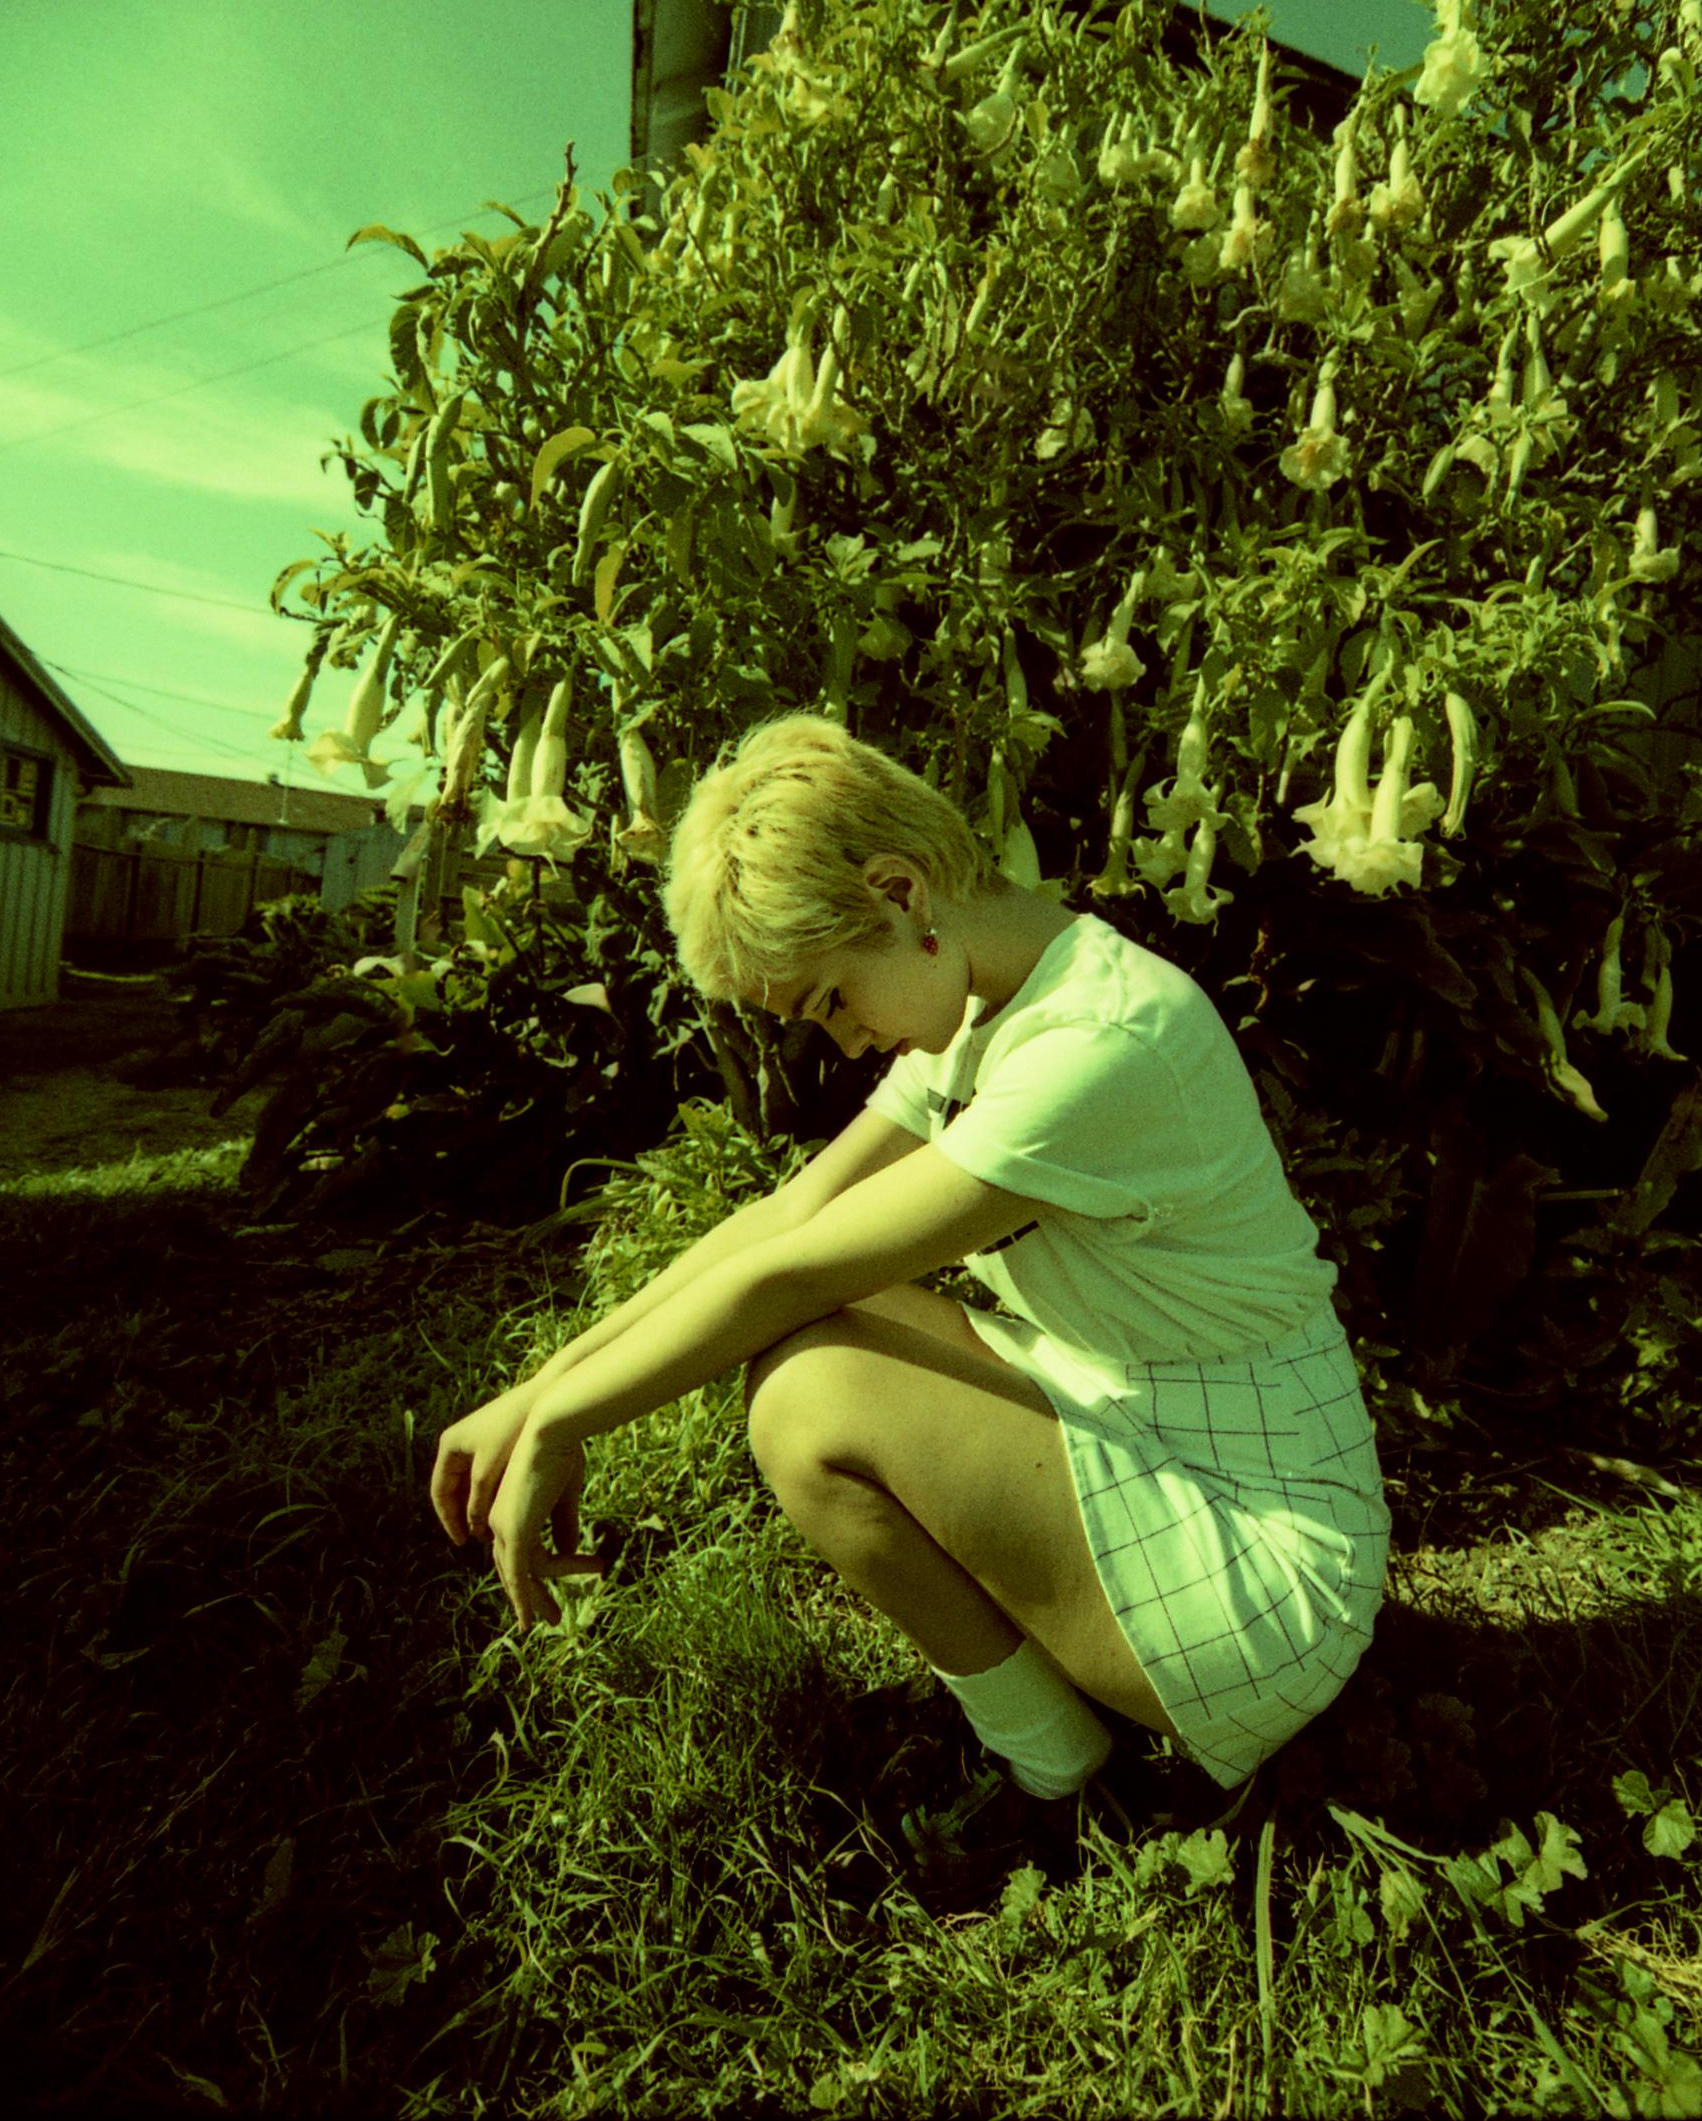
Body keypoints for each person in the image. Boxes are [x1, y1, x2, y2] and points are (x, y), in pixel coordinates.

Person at [430, 712, 1388, 1873]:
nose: (843, 1042)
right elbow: (784, 1219)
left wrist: (563, 1424)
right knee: (825, 1340)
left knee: (810, 1392)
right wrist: (539, 1390)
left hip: (1275, 1571)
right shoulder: (993, 1001)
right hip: (1157, 1427)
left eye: (832, 998)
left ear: (899, 893)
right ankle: (1064, 1744)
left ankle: (1055, 1779)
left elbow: (790, 1272)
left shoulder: (1102, 1043)